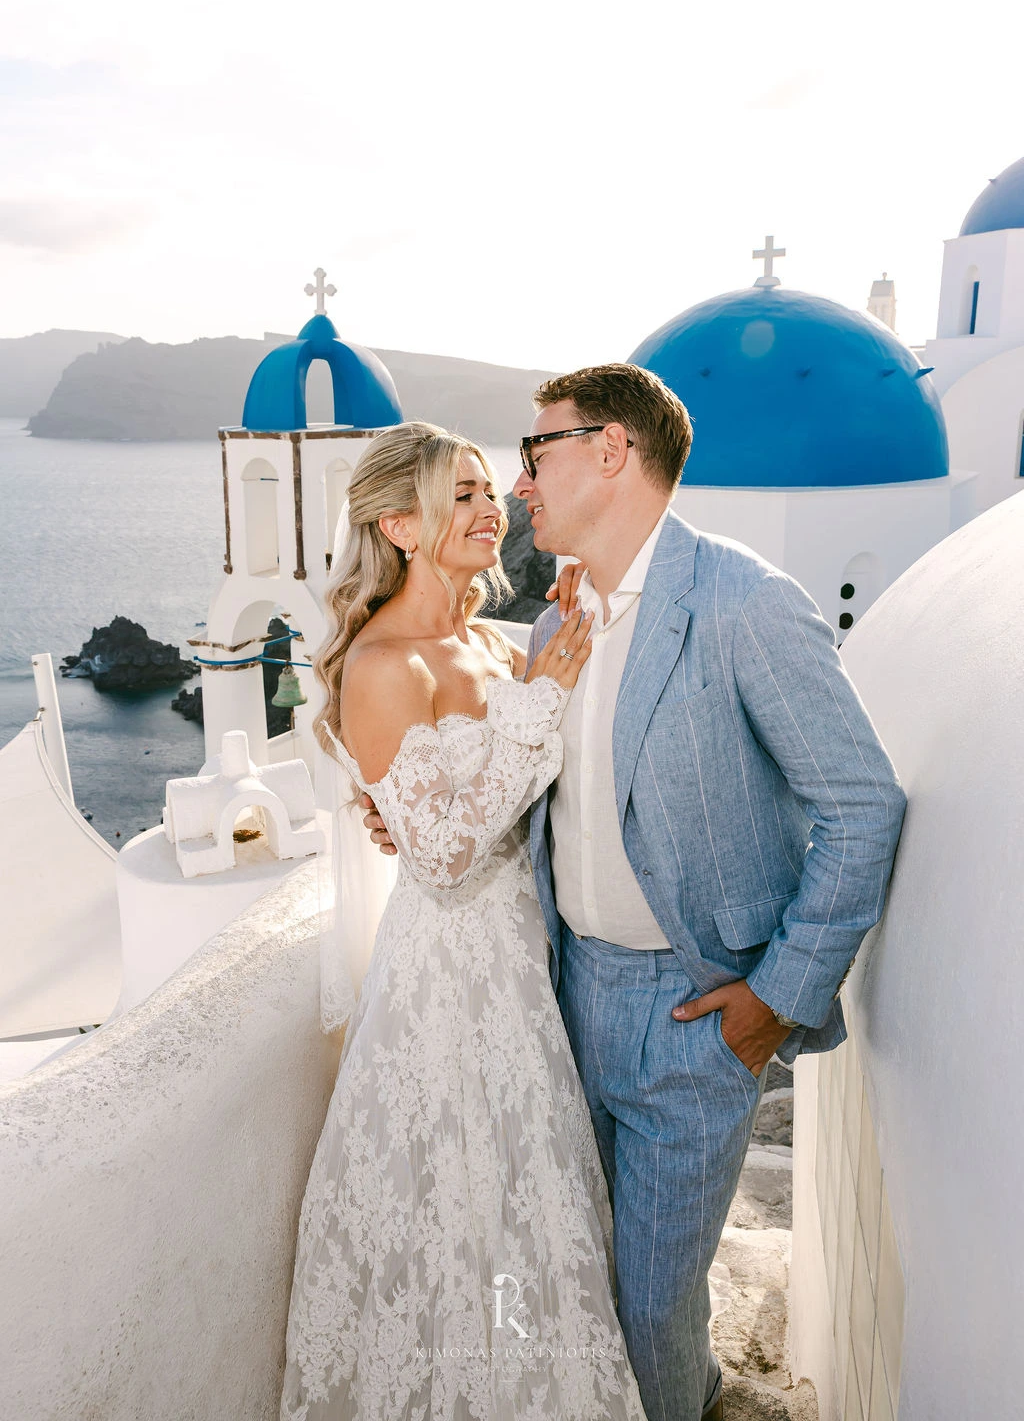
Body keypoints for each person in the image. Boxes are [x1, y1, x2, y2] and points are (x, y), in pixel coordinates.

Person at [362, 366, 907, 1421]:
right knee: (570, 1279)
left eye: (535, 454)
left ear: (610, 451)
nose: (517, 486)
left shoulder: (742, 602)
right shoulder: (545, 629)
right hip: (559, 1002)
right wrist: (406, 812)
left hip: (693, 1015)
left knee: (653, 1306)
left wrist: (778, 1000)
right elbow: (538, 799)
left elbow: (860, 805)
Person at [279, 420, 648, 1421]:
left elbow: (517, 790)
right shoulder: (383, 664)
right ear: (399, 523)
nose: (493, 512)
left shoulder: (494, 640)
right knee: (459, 1203)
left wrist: (553, 674)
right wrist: (539, 706)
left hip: (527, 959)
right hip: (447, 981)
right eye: (464, 495)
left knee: (525, 1208)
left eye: (493, 490)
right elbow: (440, 859)